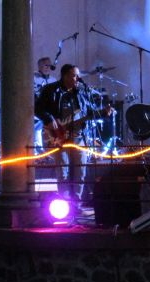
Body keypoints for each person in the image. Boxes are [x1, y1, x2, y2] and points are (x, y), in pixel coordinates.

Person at [35, 64, 112, 202]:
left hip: (79, 136)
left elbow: (88, 113)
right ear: (65, 76)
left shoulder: (81, 92)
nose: (78, 78)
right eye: (74, 75)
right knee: (63, 171)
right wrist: (49, 119)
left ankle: (76, 203)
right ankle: (65, 203)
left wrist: (104, 113)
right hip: (58, 136)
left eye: (78, 76)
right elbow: (37, 108)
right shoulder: (50, 90)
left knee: (80, 171)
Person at [33, 57, 57, 154]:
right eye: (45, 65)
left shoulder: (53, 80)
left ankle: (55, 147)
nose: (48, 68)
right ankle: (38, 151)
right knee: (36, 124)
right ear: (39, 66)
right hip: (37, 108)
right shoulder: (33, 78)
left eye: (49, 66)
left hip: (50, 109)